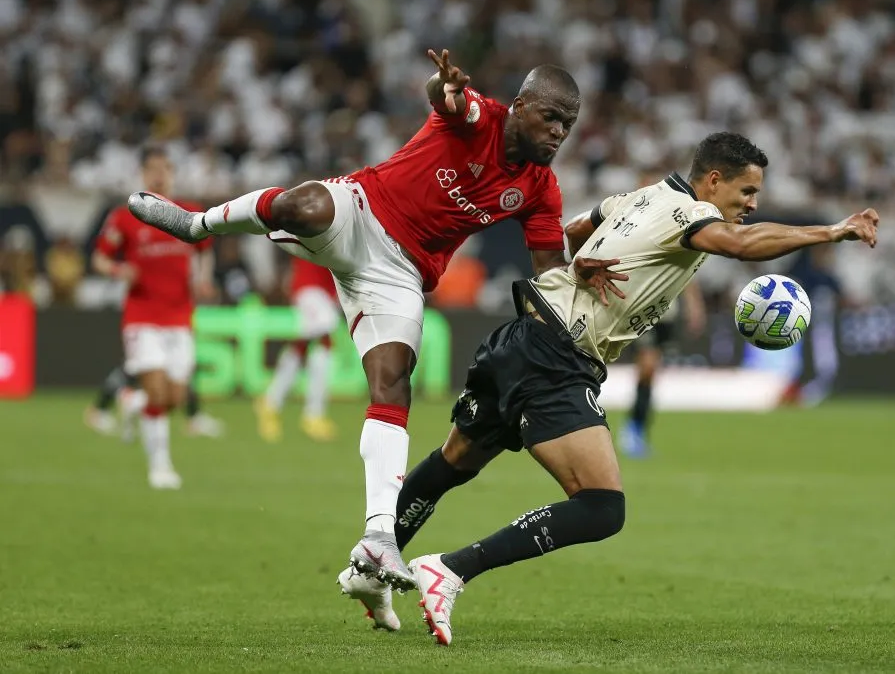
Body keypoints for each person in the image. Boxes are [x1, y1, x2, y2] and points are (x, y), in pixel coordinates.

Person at [350, 132, 879, 645]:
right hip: (557, 357)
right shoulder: (691, 214)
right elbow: (739, 244)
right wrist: (831, 231)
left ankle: (372, 564)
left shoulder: (642, 195)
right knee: (602, 506)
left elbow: (579, 227)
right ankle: (451, 569)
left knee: (454, 461)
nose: (752, 204)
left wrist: (580, 259)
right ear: (713, 182)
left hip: (522, 335)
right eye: (746, 192)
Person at [126, 49, 614, 590]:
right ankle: (198, 225)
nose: (558, 133)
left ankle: (379, 537)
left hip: (401, 274)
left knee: (392, 383)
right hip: (361, 211)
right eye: (550, 117)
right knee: (303, 204)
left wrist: (576, 269)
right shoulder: (482, 116)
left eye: (566, 125)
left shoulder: (541, 189)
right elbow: (447, 99)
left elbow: (548, 275)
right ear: (519, 105)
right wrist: (442, 84)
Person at [91, 145, 217, 489]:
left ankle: (130, 401)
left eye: (165, 168)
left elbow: (206, 250)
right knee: (159, 395)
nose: (159, 175)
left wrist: (203, 279)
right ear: (143, 174)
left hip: (179, 316)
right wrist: (119, 270)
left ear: (172, 173)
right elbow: (99, 259)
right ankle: (160, 466)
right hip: (141, 316)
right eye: (153, 169)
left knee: (175, 398)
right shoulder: (124, 216)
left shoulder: (188, 213)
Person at [255, 256, 341, 442]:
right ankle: (313, 414)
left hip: (323, 289)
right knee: (324, 338)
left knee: (303, 344)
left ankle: (270, 403)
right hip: (310, 286)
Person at [618, 281, 706, 458]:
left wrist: (694, 306)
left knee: (651, 374)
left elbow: (689, 274)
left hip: (666, 314)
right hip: (643, 310)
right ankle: (631, 430)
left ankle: (637, 429)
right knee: (647, 367)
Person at [85, 368, 223, 441]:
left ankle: (133, 401)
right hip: (150, 326)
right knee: (136, 369)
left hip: (172, 327)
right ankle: (100, 410)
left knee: (178, 378)